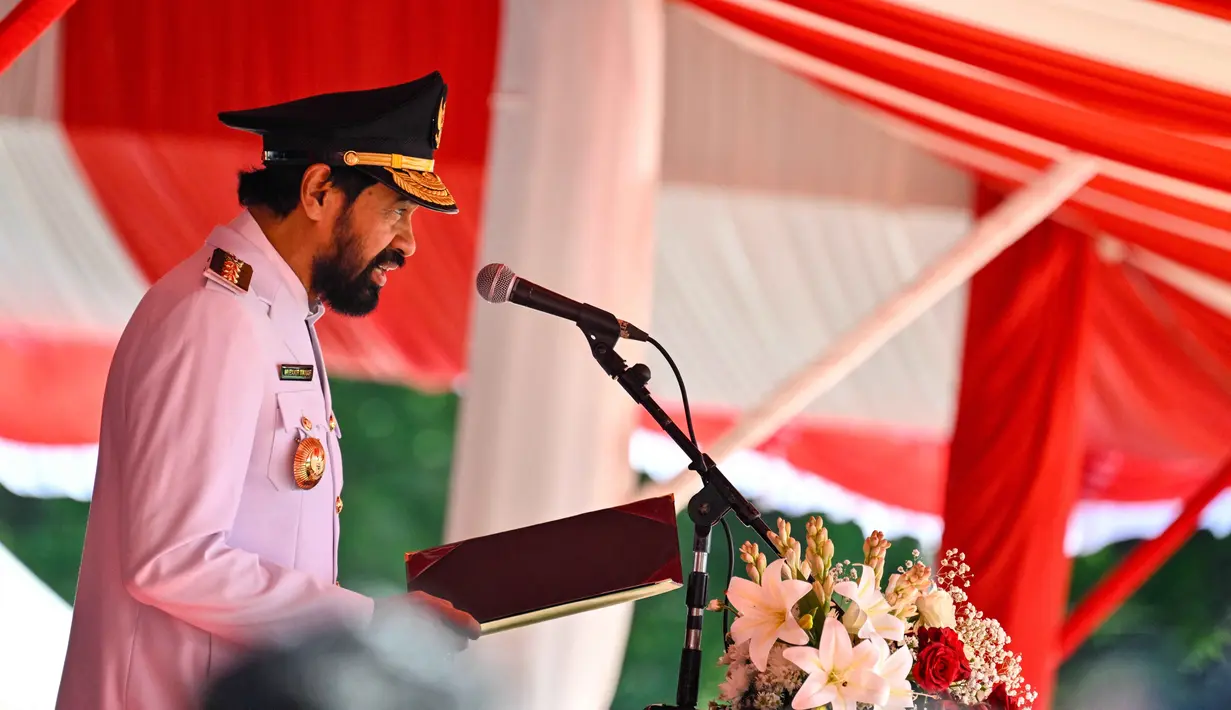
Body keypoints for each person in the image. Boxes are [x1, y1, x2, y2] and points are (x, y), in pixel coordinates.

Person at [55, 71, 480, 710]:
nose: (408, 244)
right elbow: (172, 559)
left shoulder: (273, 315)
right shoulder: (217, 319)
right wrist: (366, 624)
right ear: (317, 190)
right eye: (396, 211)